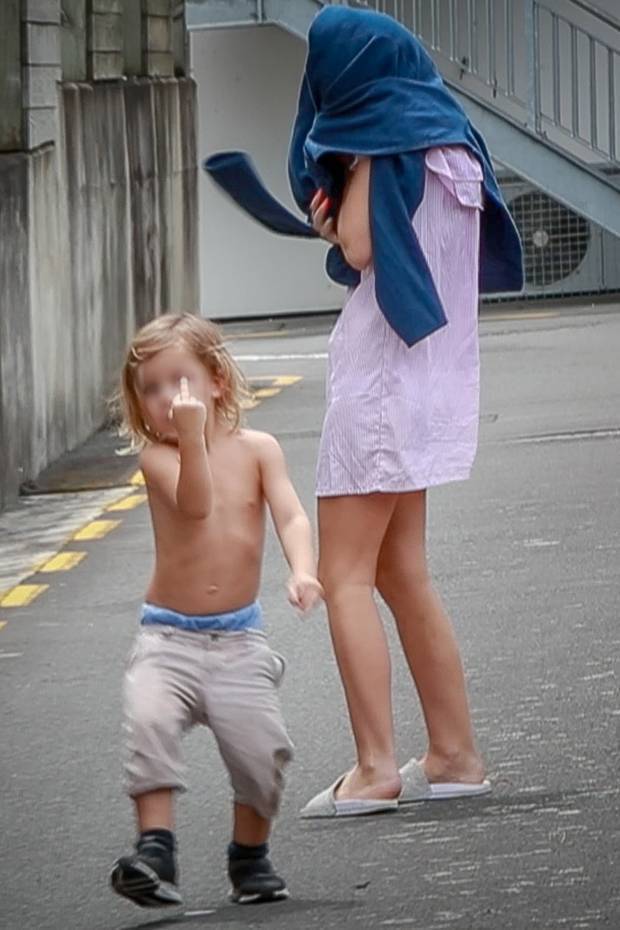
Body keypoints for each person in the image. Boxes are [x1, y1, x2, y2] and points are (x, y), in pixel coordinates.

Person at [203, 7, 523, 818]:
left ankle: (374, 766)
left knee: (345, 574)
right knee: (402, 570)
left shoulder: (381, 136)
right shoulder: (452, 140)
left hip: (379, 384)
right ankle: (454, 752)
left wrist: (331, 209)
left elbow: (358, 246)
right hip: (431, 383)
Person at [110, 312, 322, 905]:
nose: (163, 400)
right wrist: (192, 436)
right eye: (148, 389)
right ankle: (156, 850)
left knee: (263, 754)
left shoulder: (259, 450)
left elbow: (290, 514)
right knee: (148, 722)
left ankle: (249, 856)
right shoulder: (158, 459)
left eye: (177, 382)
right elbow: (196, 505)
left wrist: (303, 569)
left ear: (217, 382)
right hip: (167, 638)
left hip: (238, 640)